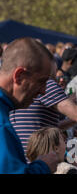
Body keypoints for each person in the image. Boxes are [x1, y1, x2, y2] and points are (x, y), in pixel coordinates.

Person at [0, 37, 59, 173]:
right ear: (19, 76)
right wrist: (43, 166)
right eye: (41, 81)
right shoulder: (1, 124)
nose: (44, 91)